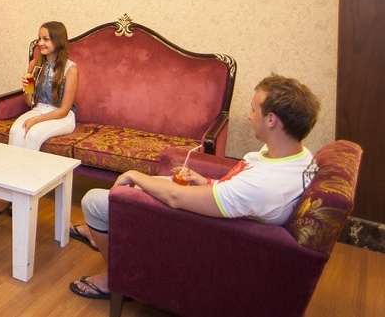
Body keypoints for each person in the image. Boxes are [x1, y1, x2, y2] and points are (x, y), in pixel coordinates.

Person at [68, 73, 321, 301]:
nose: (249, 115)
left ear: (271, 120)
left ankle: (115, 277)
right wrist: (207, 182)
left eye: (254, 110)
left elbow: (177, 198)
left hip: (204, 234)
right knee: (136, 190)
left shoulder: (265, 185)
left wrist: (133, 174)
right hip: (221, 211)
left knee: (95, 201)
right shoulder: (296, 156)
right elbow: (239, 191)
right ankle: (105, 230)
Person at [8, 21, 79, 151]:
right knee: (15, 131)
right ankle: (14, 164)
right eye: (39, 38)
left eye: (46, 39)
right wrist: (27, 88)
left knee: (33, 134)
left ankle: (29, 165)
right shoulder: (34, 64)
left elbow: (64, 110)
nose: (40, 43)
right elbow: (29, 102)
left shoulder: (71, 69)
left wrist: (36, 120)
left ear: (58, 41)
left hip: (63, 116)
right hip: (38, 109)